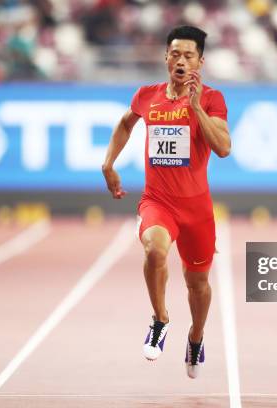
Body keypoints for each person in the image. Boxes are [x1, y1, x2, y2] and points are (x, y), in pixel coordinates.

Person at [101, 25, 230, 379]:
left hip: (197, 209)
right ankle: (160, 319)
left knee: (197, 284)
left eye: (189, 55)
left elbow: (223, 148)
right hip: (158, 201)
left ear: (200, 61)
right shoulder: (147, 95)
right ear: (165, 57)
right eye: (175, 53)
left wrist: (195, 108)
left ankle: (196, 336)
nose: (181, 60)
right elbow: (126, 124)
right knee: (154, 250)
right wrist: (108, 163)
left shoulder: (212, 99)